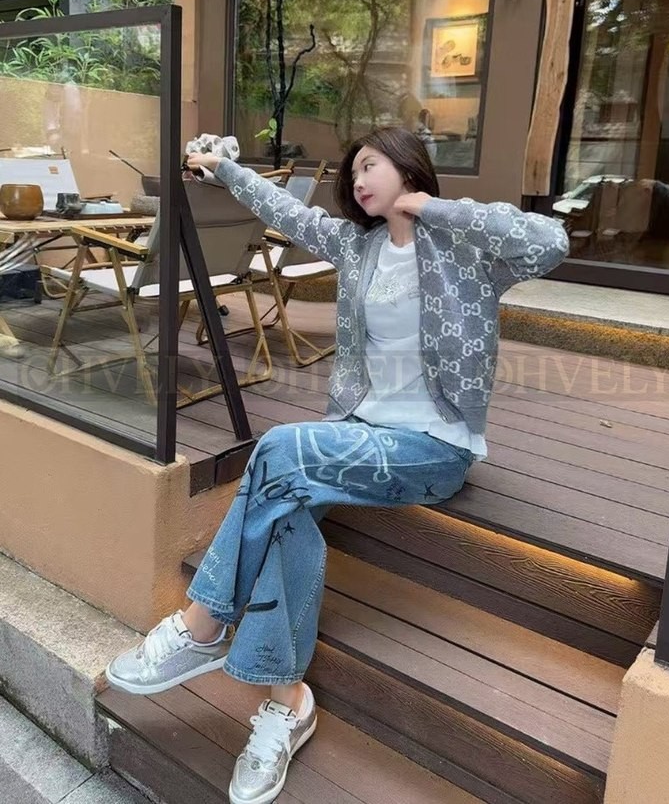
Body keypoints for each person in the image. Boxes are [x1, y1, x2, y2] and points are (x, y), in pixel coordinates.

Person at [105, 127, 569, 804]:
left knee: (279, 450)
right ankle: (287, 702)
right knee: (284, 510)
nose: (357, 179)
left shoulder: (465, 247)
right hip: (358, 432)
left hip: (433, 449)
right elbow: (285, 210)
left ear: (408, 167)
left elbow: (549, 241)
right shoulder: (359, 246)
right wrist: (224, 170)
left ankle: (203, 624)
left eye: (370, 165)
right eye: (353, 171)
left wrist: (430, 208)